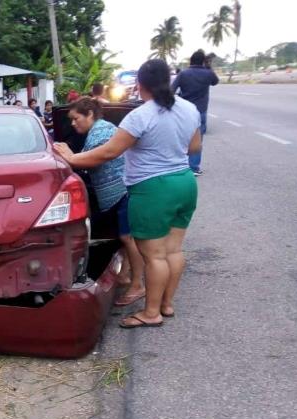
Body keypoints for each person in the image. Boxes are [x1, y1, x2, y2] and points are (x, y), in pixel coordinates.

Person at [53, 59, 201, 329]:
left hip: (154, 189)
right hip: (185, 183)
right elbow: (194, 147)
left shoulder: (141, 115)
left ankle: (152, 312)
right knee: (173, 250)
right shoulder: (189, 109)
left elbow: (109, 152)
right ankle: (167, 305)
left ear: (140, 84)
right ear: (167, 81)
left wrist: (71, 158)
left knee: (154, 255)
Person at [65, 98, 145, 304]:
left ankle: (137, 285)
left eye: (76, 118)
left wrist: (68, 155)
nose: (73, 123)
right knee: (124, 238)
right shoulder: (100, 130)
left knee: (129, 238)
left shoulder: (100, 132)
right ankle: (125, 275)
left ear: (90, 114)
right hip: (122, 191)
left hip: (122, 191)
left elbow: (90, 160)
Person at [172, 49, 219, 176]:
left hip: (185, 111)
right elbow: (215, 82)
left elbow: (172, 90)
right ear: (203, 61)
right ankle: (194, 168)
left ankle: (180, 165)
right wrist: (209, 67)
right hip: (201, 110)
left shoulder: (183, 74)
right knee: (198, 138)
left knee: (182, 137)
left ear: (191, 61)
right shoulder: (208, 73)